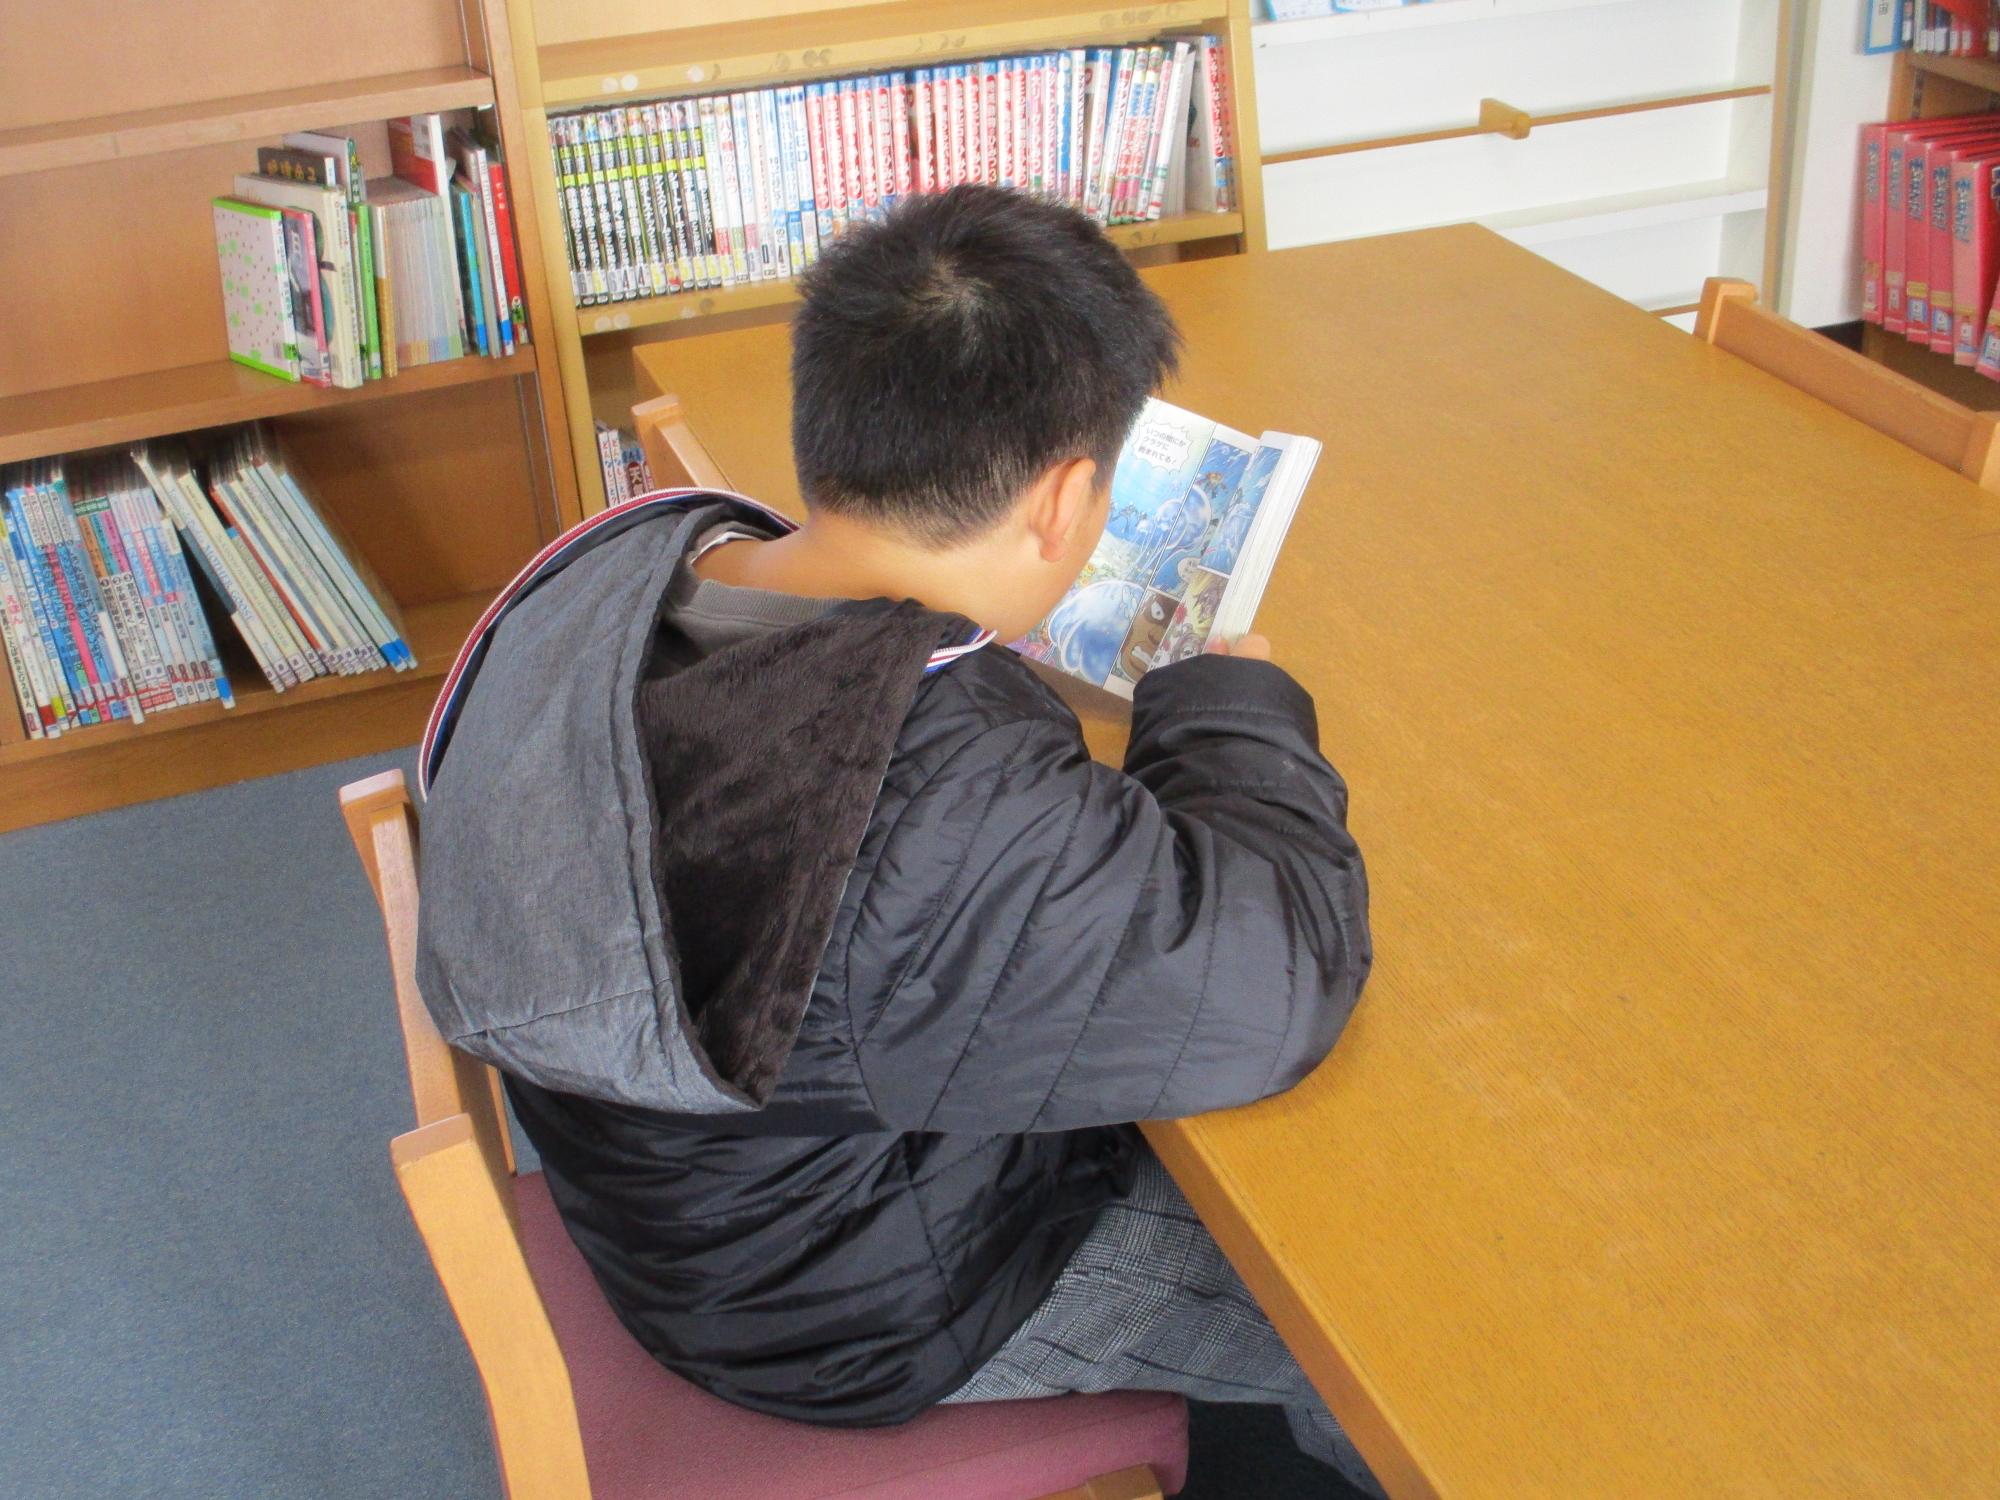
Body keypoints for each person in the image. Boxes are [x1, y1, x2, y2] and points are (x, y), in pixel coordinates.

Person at [415, 184, 1377, 1492]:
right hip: (853, 1307)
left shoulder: (618, 573)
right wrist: (1225, 698)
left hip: (687, 1207)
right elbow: (1270, 978)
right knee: (1369, 1306)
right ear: (1065, 502)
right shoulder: (929, 806)